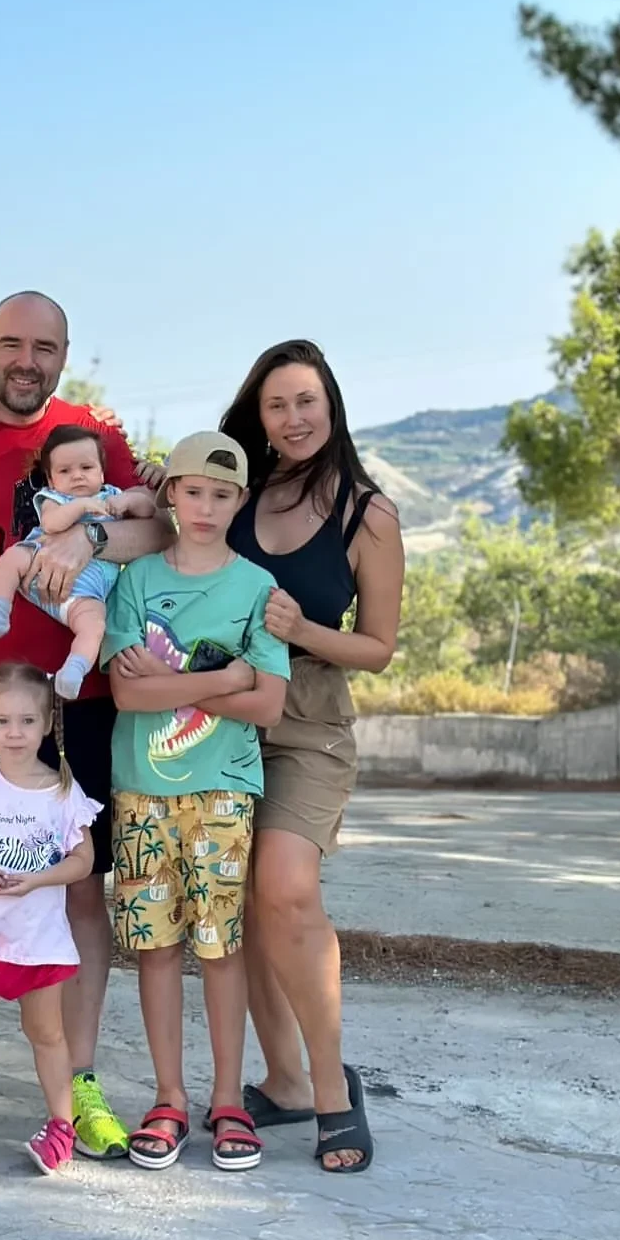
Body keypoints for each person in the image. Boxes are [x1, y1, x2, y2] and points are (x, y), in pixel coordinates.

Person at [0, 290, 172, 1160]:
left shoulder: (96, 436)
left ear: (63, 353)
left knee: (82, 886)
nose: (26, 359)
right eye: (11, 342)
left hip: (82, 700)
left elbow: (158, 529)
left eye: (43, 346)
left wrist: (91, 542)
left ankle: (78, 1084)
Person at [220, 339, 404, 1175]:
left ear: (330, 405)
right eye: (276, 404)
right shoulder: (240, 493)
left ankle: (333, 1090)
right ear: (258, 416)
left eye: (306, 401)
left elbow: (379, 646)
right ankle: (285, 1080)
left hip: (311, 720)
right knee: (243, 903)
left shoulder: (369, 514)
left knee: (288, 888)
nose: (293, 418)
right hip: (224, 713)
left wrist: (302, 630)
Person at [103, 432, 289, 1172]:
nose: (205, 506)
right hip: (143, 791)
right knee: (155, 947)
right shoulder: (138, 580)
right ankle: (169, 1097)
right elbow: (126, 693)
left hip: (223, 790)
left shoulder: (258, 588)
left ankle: (228, 1099)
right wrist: (227, 679)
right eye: (192, 491)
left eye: (221, 494)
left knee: (220, 946)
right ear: (170, 495)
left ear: (239, 501)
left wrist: (174, 684)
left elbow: (269, 705)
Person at [0, 662, 99, 1182]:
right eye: (2, 721)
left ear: (47, 723)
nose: (15, 732)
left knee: (46, 1033)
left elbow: (84, 860)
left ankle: (62, 1127)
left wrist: (40, 879)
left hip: (38, 941)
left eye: (27, 721)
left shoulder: (63, 792)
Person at [0, 424, 156, 698]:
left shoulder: (112, 496)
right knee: (12, 558)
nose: (77, 476)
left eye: (86, 468)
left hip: (85, 594)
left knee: (95, 626)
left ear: (102, 472)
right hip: (36, 570)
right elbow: (51, 524)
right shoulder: (54, 498)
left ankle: (73, 670)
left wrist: (130, 501)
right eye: (65, 471)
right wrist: (80, 506)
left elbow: (148, 511)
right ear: (51, 480)